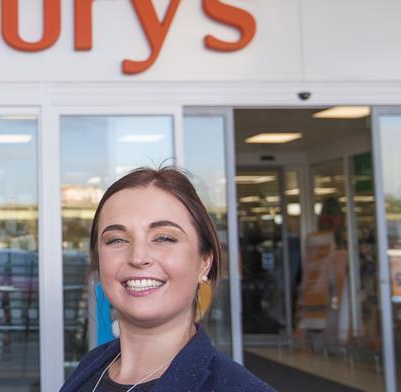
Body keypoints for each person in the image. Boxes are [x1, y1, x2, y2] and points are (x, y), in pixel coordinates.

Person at [62, 167, 273, 391]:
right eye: (116, 240)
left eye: (163, 238)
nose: (138, 257)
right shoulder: (90, 368)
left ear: (204, 262)